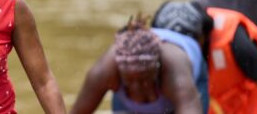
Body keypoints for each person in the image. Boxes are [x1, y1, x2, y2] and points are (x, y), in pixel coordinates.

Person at [155, 1, 257, 114]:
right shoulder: (157, 51)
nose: (179, 52)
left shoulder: (234, 40)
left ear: (202, 37)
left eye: (185, 45)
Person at [70, 13, 207, 114]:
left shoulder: (175, 70)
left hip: (187, 82)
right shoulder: (104, 72)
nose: (138, 88)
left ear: (157, 68)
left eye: (145, 80)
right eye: (129, 81)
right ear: (119, 71)